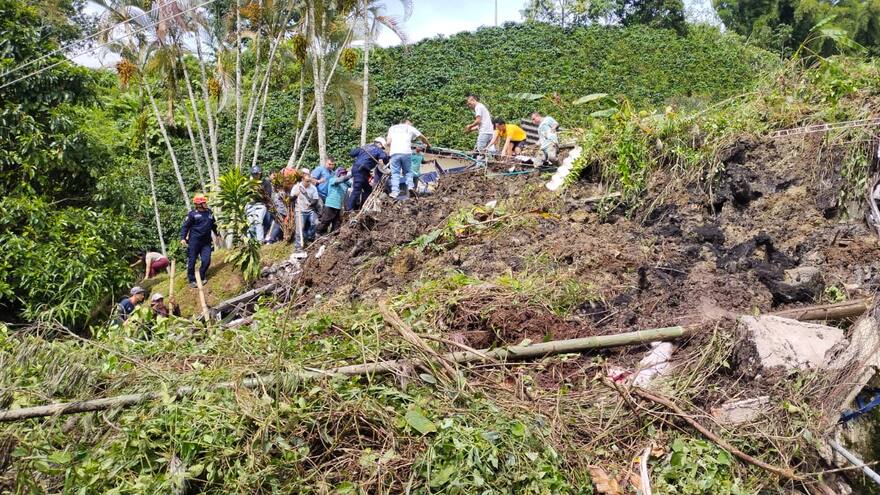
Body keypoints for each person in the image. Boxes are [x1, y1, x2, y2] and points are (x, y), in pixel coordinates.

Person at [386, 119, 430, 199]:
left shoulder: (392, 128)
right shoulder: (410, 128)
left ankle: (395, 192)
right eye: (411, 124)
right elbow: (422, 137)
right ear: (406, 123)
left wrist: (389, 151)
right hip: (406, 152)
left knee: (395, 173)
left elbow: (388, 142)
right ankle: (410, 186)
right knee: (408, 171)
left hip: (394, 153)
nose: (411, 125)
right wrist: (428, 144)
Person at [180, 193, 218, 287]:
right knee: (192, 261)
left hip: (206, 242)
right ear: (198, 204)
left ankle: (201, 276)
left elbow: (213, 224)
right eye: (203, 202)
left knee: (206, 260)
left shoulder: (209, 212)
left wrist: (218, 235)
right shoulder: (192, 214)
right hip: (194, 242)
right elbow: (185, 227)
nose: (205, 204)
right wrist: (183, 238)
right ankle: (192, 279)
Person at [348, 137, 390, 210]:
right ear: (379, 144)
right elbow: (384, 158)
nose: (382, 148)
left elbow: (352, 153)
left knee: (367, 189)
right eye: (382, 147)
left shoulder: (364, 147)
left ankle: (362, 208)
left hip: (360, 170)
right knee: (357, 189)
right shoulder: (378, 149)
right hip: (360, 170)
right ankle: (349, 209)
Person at [290, 171, 321, 249]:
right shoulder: (296, 187)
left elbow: (315, 199)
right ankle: (298, 246)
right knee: (299, 228)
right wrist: (295, 195)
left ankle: (310, 238)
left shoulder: (313, 187)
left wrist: (311, 204)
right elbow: (290, 199)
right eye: (307, 181)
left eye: (309, 181)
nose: (308, 183)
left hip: (310, 210)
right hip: (300, 210)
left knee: (315, 223)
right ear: (302, 180)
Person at [317, 168, 352, 234]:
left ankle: (331, 239)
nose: (344, 174)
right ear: (338, 174)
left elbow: (351, 184)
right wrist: (350, 175)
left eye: (345, 173)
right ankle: (317, 234)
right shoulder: (333, 179)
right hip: (330, 205)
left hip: (339, 206)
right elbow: (340, 180)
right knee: (325, 222)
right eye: (342, 173)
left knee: (337, 225)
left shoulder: (346, 183)